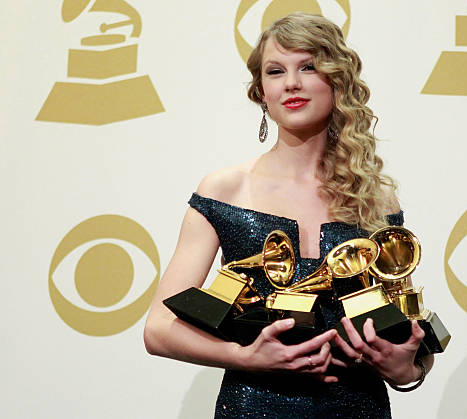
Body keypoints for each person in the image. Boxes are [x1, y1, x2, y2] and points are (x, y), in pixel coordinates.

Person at [144, 13, 434, 418]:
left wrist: (405, 368)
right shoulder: (226, 189)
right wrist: (245, 356)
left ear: (338, 81)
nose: (291, 83)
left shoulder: (375, 199)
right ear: (261, 92)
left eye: (308, 67)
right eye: (276, 71)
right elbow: (158, 329)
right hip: (253, 405)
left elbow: (407, 338)